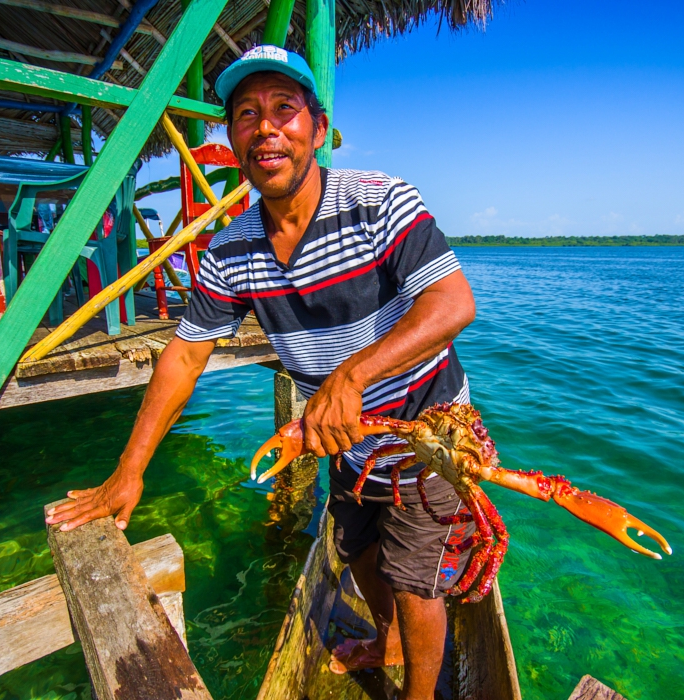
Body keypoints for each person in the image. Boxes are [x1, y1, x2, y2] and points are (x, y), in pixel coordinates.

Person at [45, 45, 477, 700]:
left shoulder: (380, 201)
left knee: (418, 582)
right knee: (356, 548)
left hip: (427, 429)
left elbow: (452, 303)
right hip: (344, 439)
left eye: (284, 108)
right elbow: (186, 354)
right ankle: (385, 637)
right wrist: (127, 472)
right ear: (232, 138)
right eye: (246, 113)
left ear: (319, 126)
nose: (266, 125)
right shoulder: (231, 249)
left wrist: (350, 377)